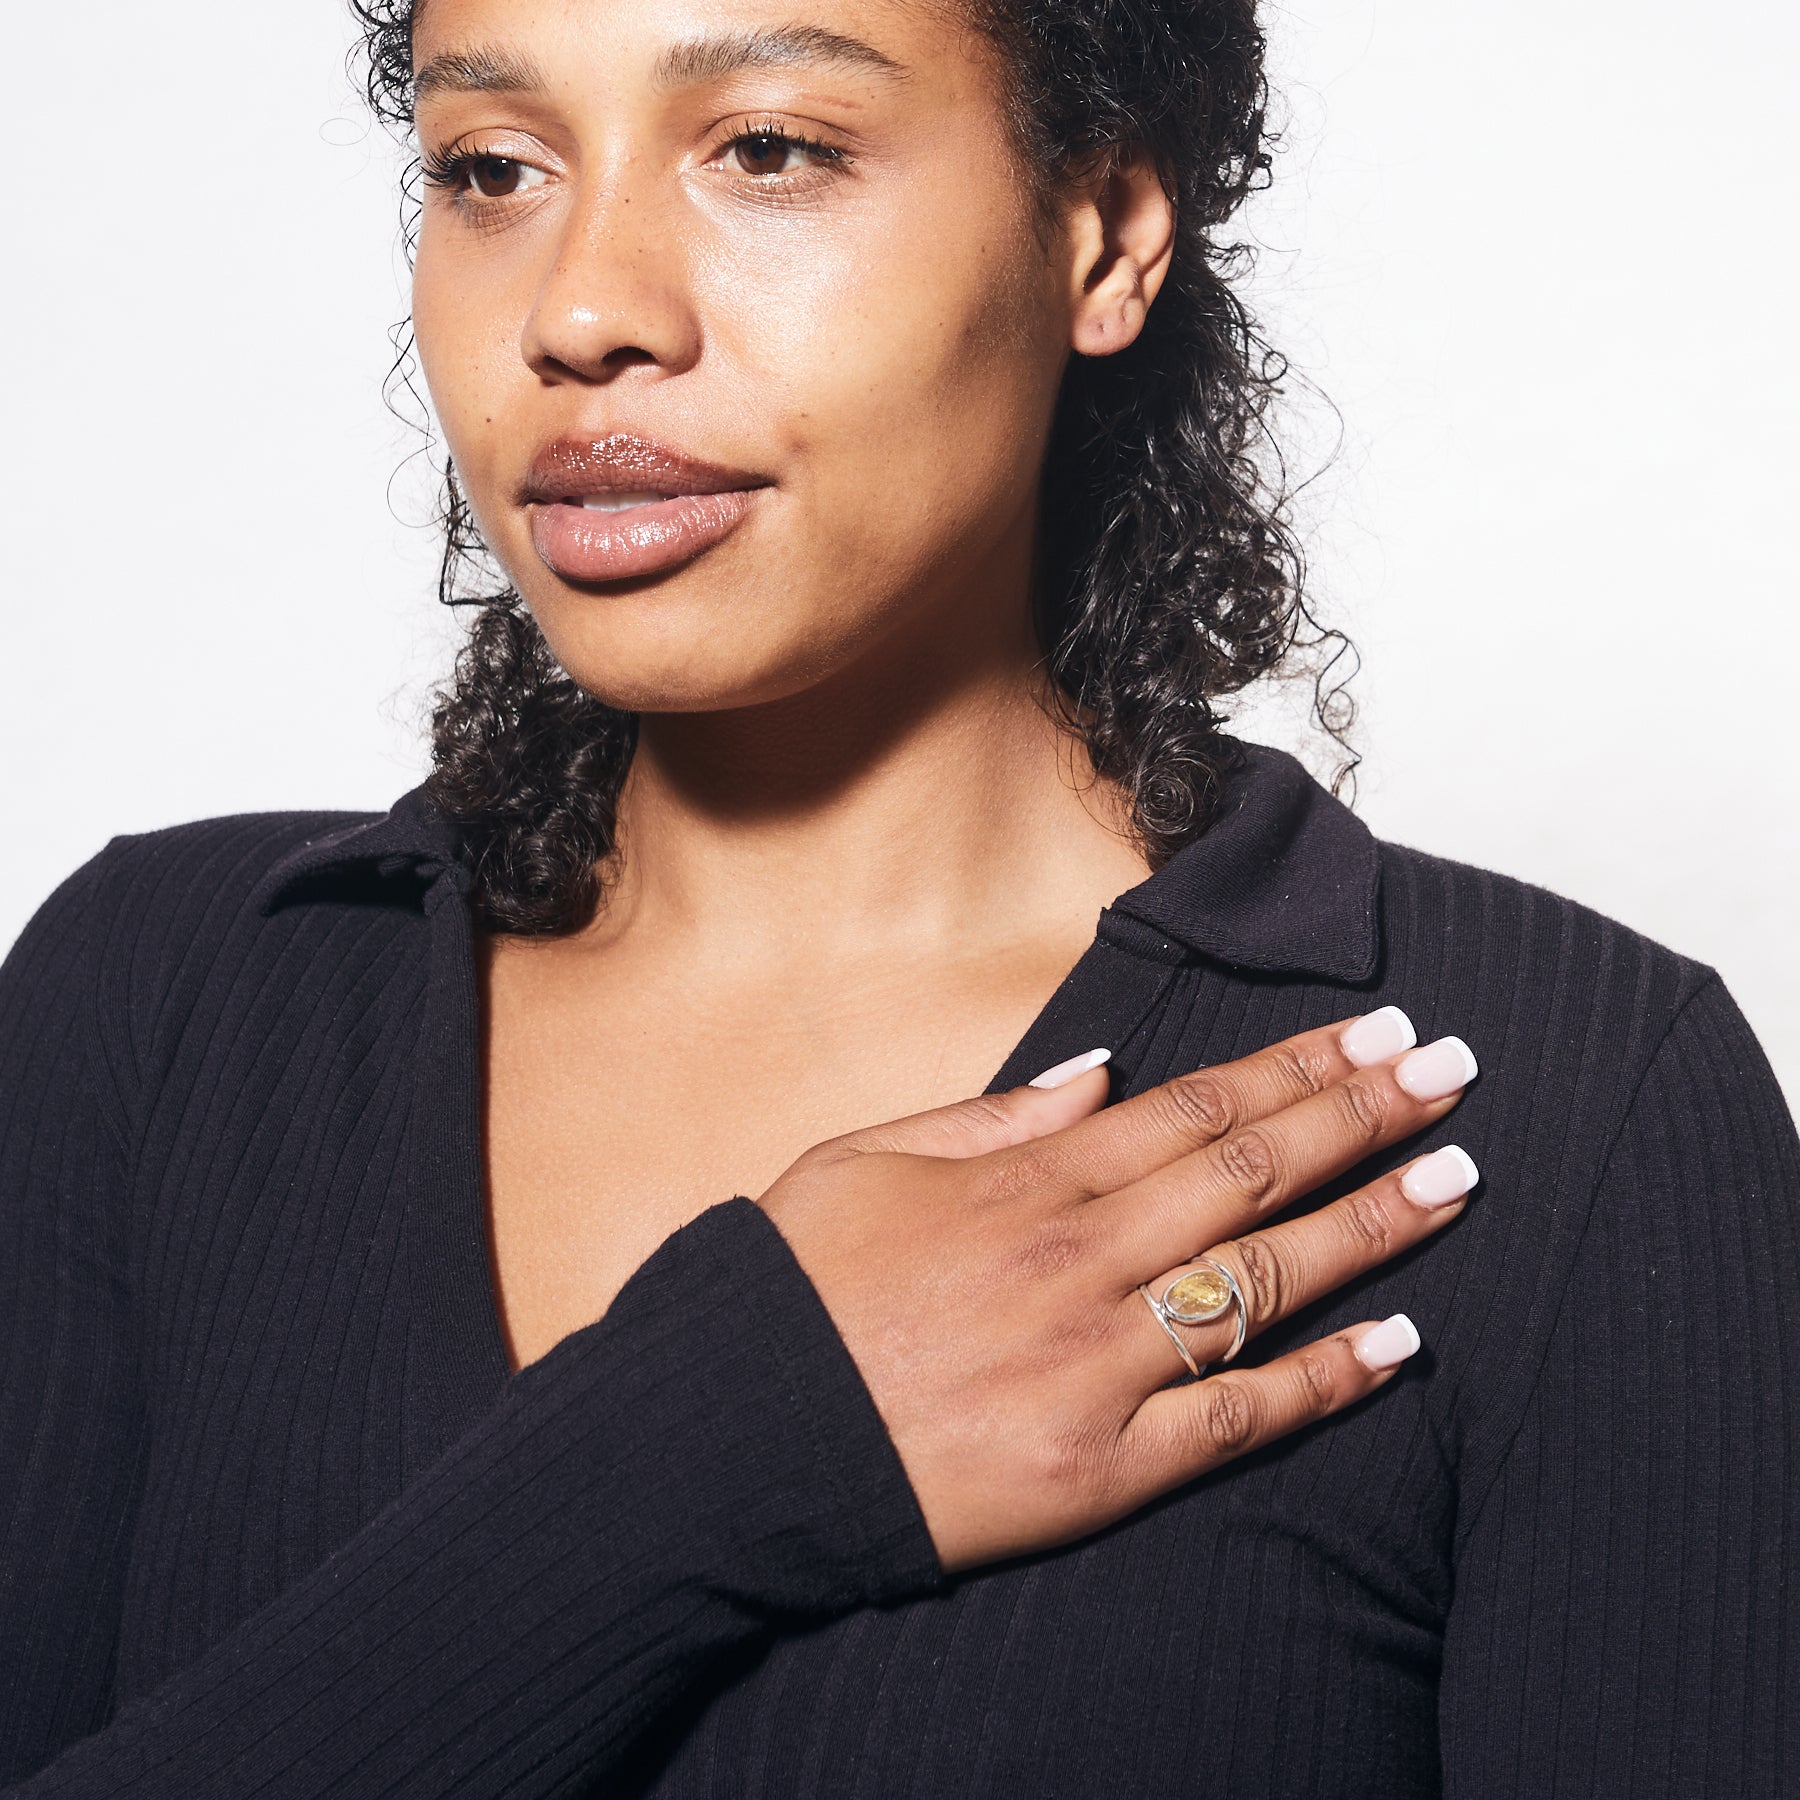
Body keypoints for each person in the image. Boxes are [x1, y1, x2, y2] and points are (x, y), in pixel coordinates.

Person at [0, 0, 1793, 1795]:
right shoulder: (159, 1002)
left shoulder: (1570, 1105)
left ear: (1103, 237)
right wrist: (711, 1448)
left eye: (769, 149)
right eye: (491, 169)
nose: (578, 308)